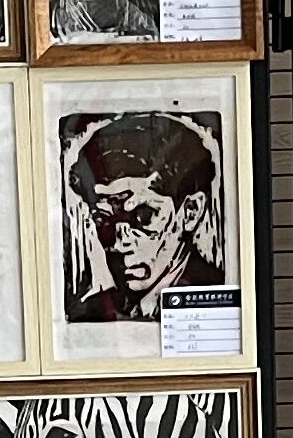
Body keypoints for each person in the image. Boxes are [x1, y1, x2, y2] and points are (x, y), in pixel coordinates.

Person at [57, 109, 227, 326]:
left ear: (190, 212)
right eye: (104, 220)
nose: (119, 243)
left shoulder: (214, 299)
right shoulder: (91, 312)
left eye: (143, 217)